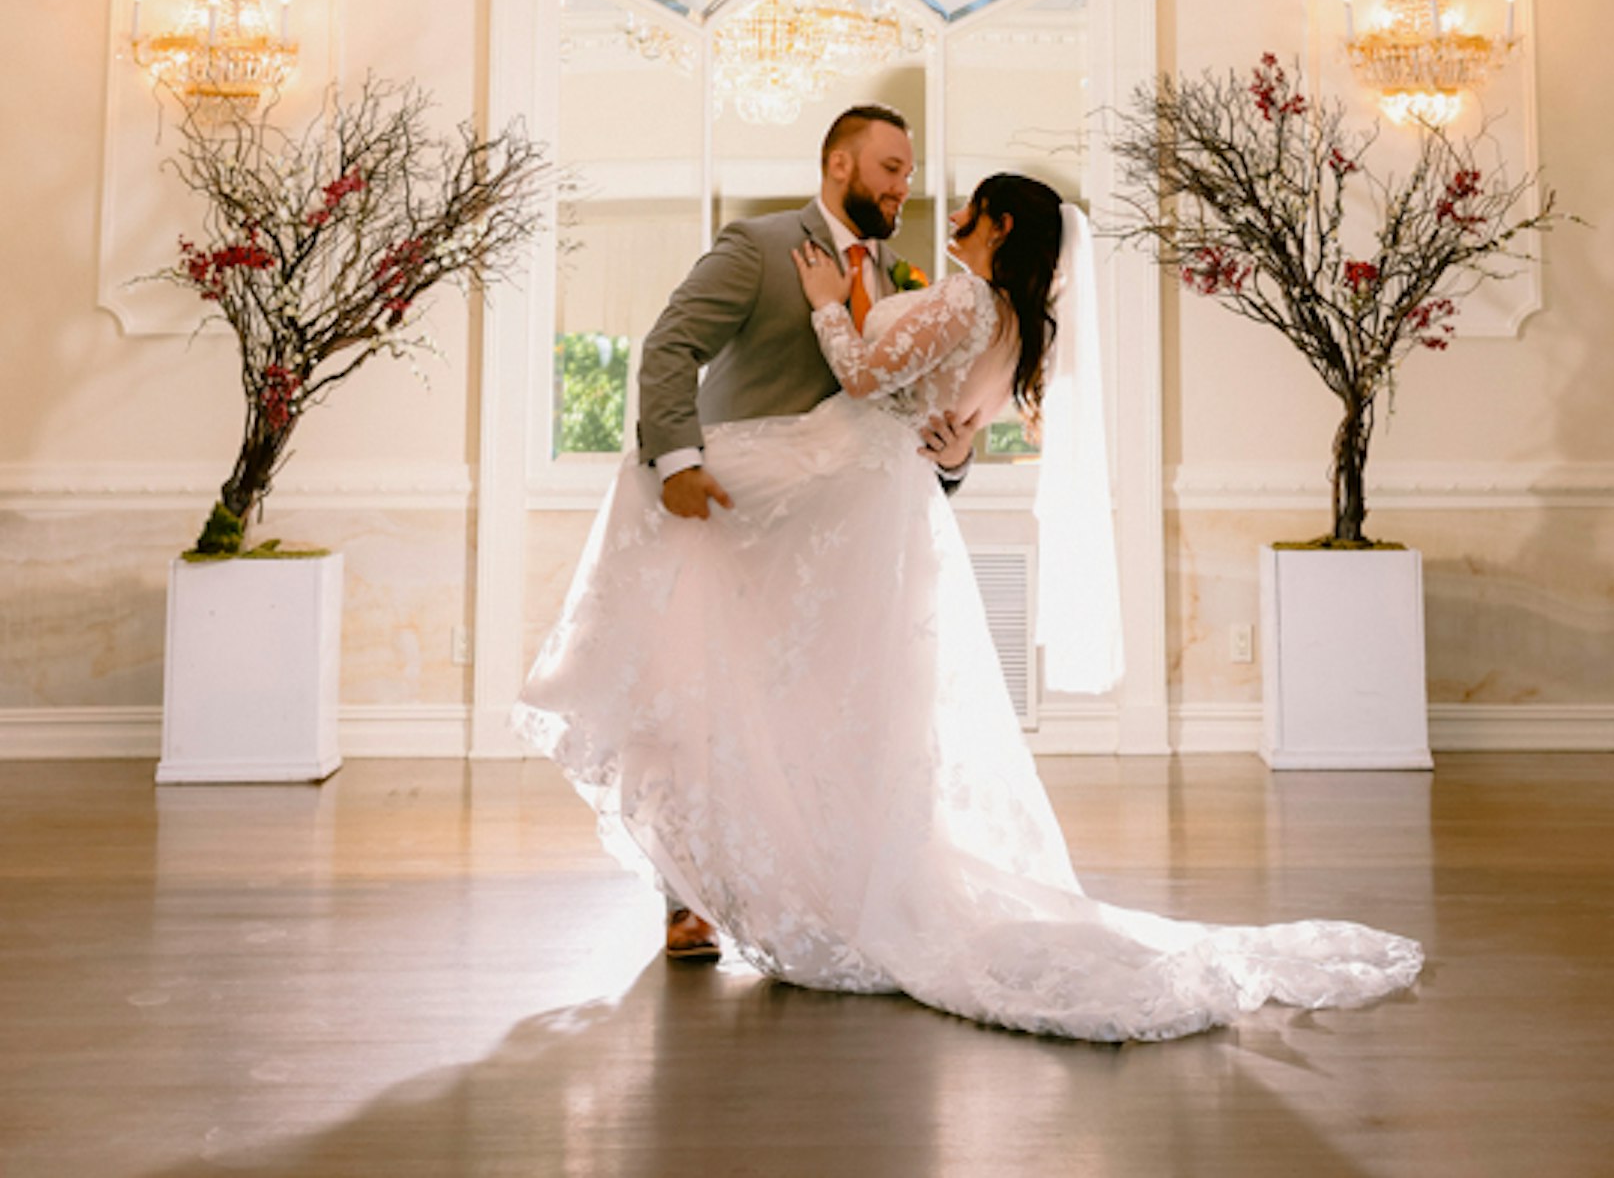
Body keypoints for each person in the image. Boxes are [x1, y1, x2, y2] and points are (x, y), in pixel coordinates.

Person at [515, 159, 1422, 1041]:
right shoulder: (1026, 331)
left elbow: (868, 378)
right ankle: (761, 866)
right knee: (845, 693)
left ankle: (733, 835)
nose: (949, 208)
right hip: (886, 495)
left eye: (974, 204)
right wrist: (945, 445)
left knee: (669, 524)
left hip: (845, 472)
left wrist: (833, 303)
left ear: (1002, 226)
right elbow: (948, 428)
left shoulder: (965, 297)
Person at [626, 104, 974, 962]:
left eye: (909, 170)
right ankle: (689, 900)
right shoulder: (757, 245)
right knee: (706, 708)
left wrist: (956, 461)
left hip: (835, 547)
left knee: (815, 717)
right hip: (733, 522)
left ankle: (812, 891)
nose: (905, 186)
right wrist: (675, 464)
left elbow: (899, 416)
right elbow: (669, 346)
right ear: (838, 166)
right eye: (891, 168)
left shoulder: (901, 279)